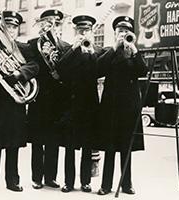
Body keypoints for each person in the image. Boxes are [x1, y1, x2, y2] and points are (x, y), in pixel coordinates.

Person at [0, 11, 39, 192]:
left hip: (13, 102)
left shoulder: (23, 48)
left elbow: (35, 66)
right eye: (6, 26)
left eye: (13, 27)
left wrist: (19, 73)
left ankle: (13, 181)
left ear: (17, 30)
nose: (9, 30)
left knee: (13, 143)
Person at [95, 16, 148, 195]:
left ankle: (127, 184)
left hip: (129, 106)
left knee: (127, 148)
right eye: (120, 31)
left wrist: (134, 51)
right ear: (115, 33)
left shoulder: (133, 51)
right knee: (110, 148)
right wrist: (115, 48)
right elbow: (98, 68)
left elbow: (143, 71)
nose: (123, 34)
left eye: (126, 31)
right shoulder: (109, 51)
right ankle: (106, 185)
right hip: (111, 105)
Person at [55, 14, 104, 193]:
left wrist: (90, 53)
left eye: (87, 30)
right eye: (80, 30)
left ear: (92, 32)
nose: (84, 33)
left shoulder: (96, 51)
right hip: (71, 106)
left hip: (89, 107)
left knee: (87, 147)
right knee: (69, 147)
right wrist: (75, 49)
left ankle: (85, 182)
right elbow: (60, 69)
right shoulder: (69, 49)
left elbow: (98, 71)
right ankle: (68, 182)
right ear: (75, 31)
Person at [27, 9, 71, 189]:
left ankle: (50, 178)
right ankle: (37, 177)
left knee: (53, 141)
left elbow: (68, 73)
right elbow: (31, 67)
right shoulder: (32, 44)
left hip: (57, 101)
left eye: (56, 23)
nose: (53, 26)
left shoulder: (66, 46)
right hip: (39, 99)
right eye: (48, 23)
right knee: (38, 142)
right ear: (42, 25)